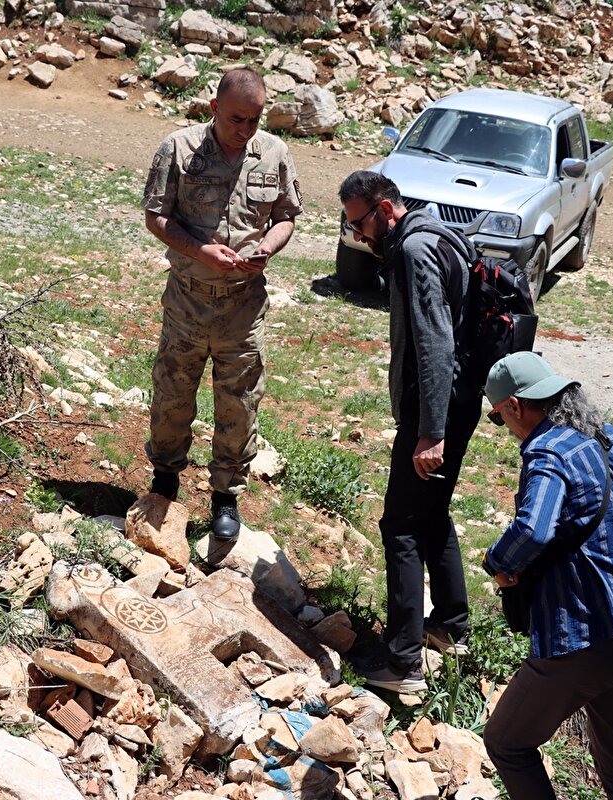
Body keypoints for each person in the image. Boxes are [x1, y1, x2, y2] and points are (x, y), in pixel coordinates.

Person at [481, 352, 613, 800]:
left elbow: (533, 529)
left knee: (506, 743)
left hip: (586, 636)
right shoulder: (607, 436)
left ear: (515, 406)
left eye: (499, 418)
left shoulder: (547, 451)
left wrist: (498, 562)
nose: (505, 428)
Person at [141, 67, 302, 542]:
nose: (246, 129)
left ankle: (225, 495)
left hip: (243, 305)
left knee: (240, 403)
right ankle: (165, 479)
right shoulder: (179, 148)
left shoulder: (274, 153)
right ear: (214, 108)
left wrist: (267, 247)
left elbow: (286, 217)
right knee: (172, 393)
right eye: (236, 119)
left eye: (255, 120)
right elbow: (156, 216)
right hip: (188, 300)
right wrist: (200, 251)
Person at [337, 171, 480, 692]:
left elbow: (436, 343)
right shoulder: (440, 232)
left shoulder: (415, 250)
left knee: (399, 526)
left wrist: (430, 432)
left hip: (433, 413)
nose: (359, 235)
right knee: (432, 512)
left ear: (385, 210)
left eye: (359, 224)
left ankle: (402, 663)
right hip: (457, 402)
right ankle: (450, 627)